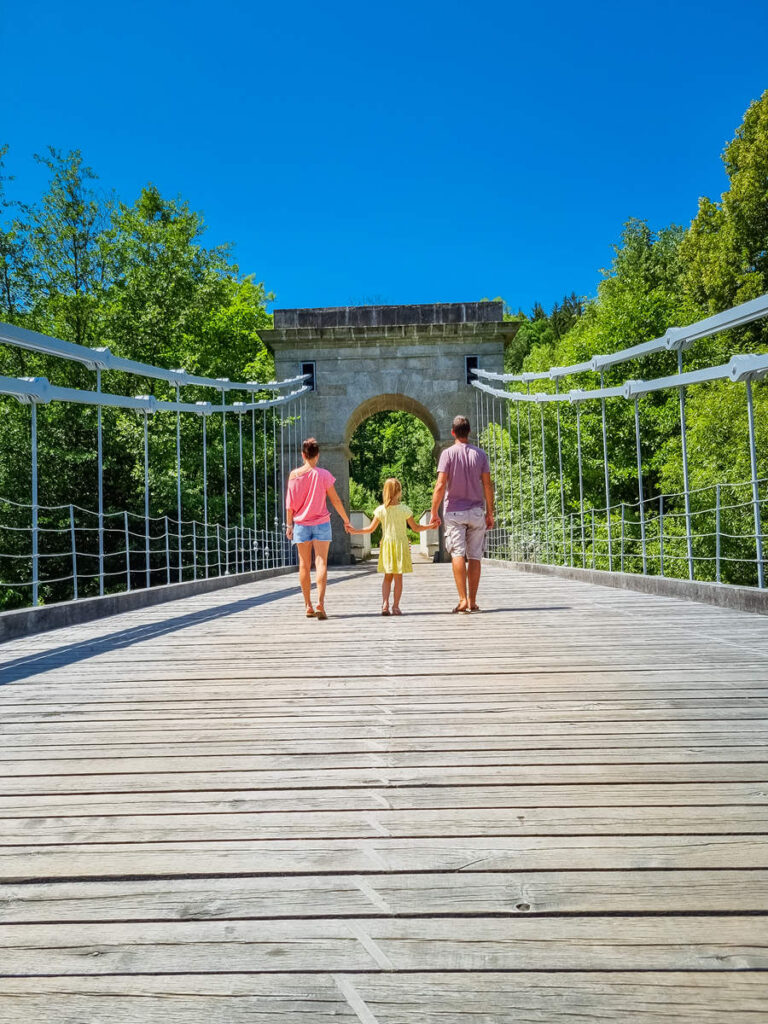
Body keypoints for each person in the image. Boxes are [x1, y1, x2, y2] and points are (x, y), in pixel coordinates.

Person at [430, 415, 494, 613]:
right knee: (474, 556)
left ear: (452, 432)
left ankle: (463, 599)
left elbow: (440, 485)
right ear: (469, 432)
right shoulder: (481, 454)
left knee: (457, 553)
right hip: (476, 511)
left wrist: (434, 511)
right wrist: (490, 512)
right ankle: (473, 601)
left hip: (454, 512)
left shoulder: (447, 454)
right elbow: (487, 485)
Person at [285, 437, 351, 619]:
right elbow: (336, 500)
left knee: (304, 564)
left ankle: (308, 605)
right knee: (321, 562)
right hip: (321, 523)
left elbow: (289, 504)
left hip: (301, 524)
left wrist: (289, 525)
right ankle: (320, 604)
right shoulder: (323, 475)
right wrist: (346, 520)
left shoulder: (294, 475)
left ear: (303, 455)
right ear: (318, 455)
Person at [345, 477, 432, 615]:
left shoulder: (380, 510)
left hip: (386, 545)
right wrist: (430, 526)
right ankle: (396, 607)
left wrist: (356, 531)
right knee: (398, 578)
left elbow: (370, 529)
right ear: (398, 492)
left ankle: (385, 604)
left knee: (387, 577)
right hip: (400, 545)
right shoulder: (405, 509)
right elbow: (415, 528)